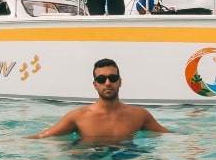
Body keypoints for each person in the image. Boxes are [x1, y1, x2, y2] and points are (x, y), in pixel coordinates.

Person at [28, 58, 170, 140]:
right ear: (95, 85)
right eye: (101, 79)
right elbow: (42, 137)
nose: (107, 83)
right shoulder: (78, 117)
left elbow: (168, 136)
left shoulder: (139, 115)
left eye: (112, 78)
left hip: (126, 159)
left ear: (120, 82)